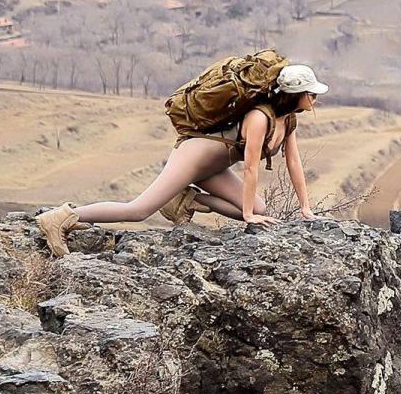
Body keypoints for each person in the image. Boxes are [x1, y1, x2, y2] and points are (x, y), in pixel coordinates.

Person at [36, 61, 327, 254]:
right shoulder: (259, 118)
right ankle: (62, 217)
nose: (314, 98)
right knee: (138, 210)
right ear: (294, 93)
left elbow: (293, 163)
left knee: (258, 210)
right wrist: (248, 214)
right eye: (310, 93)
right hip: (192, 157)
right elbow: (251, 168)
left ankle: (189, 200)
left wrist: (305, 208)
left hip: (213, 168)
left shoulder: (287, 121)